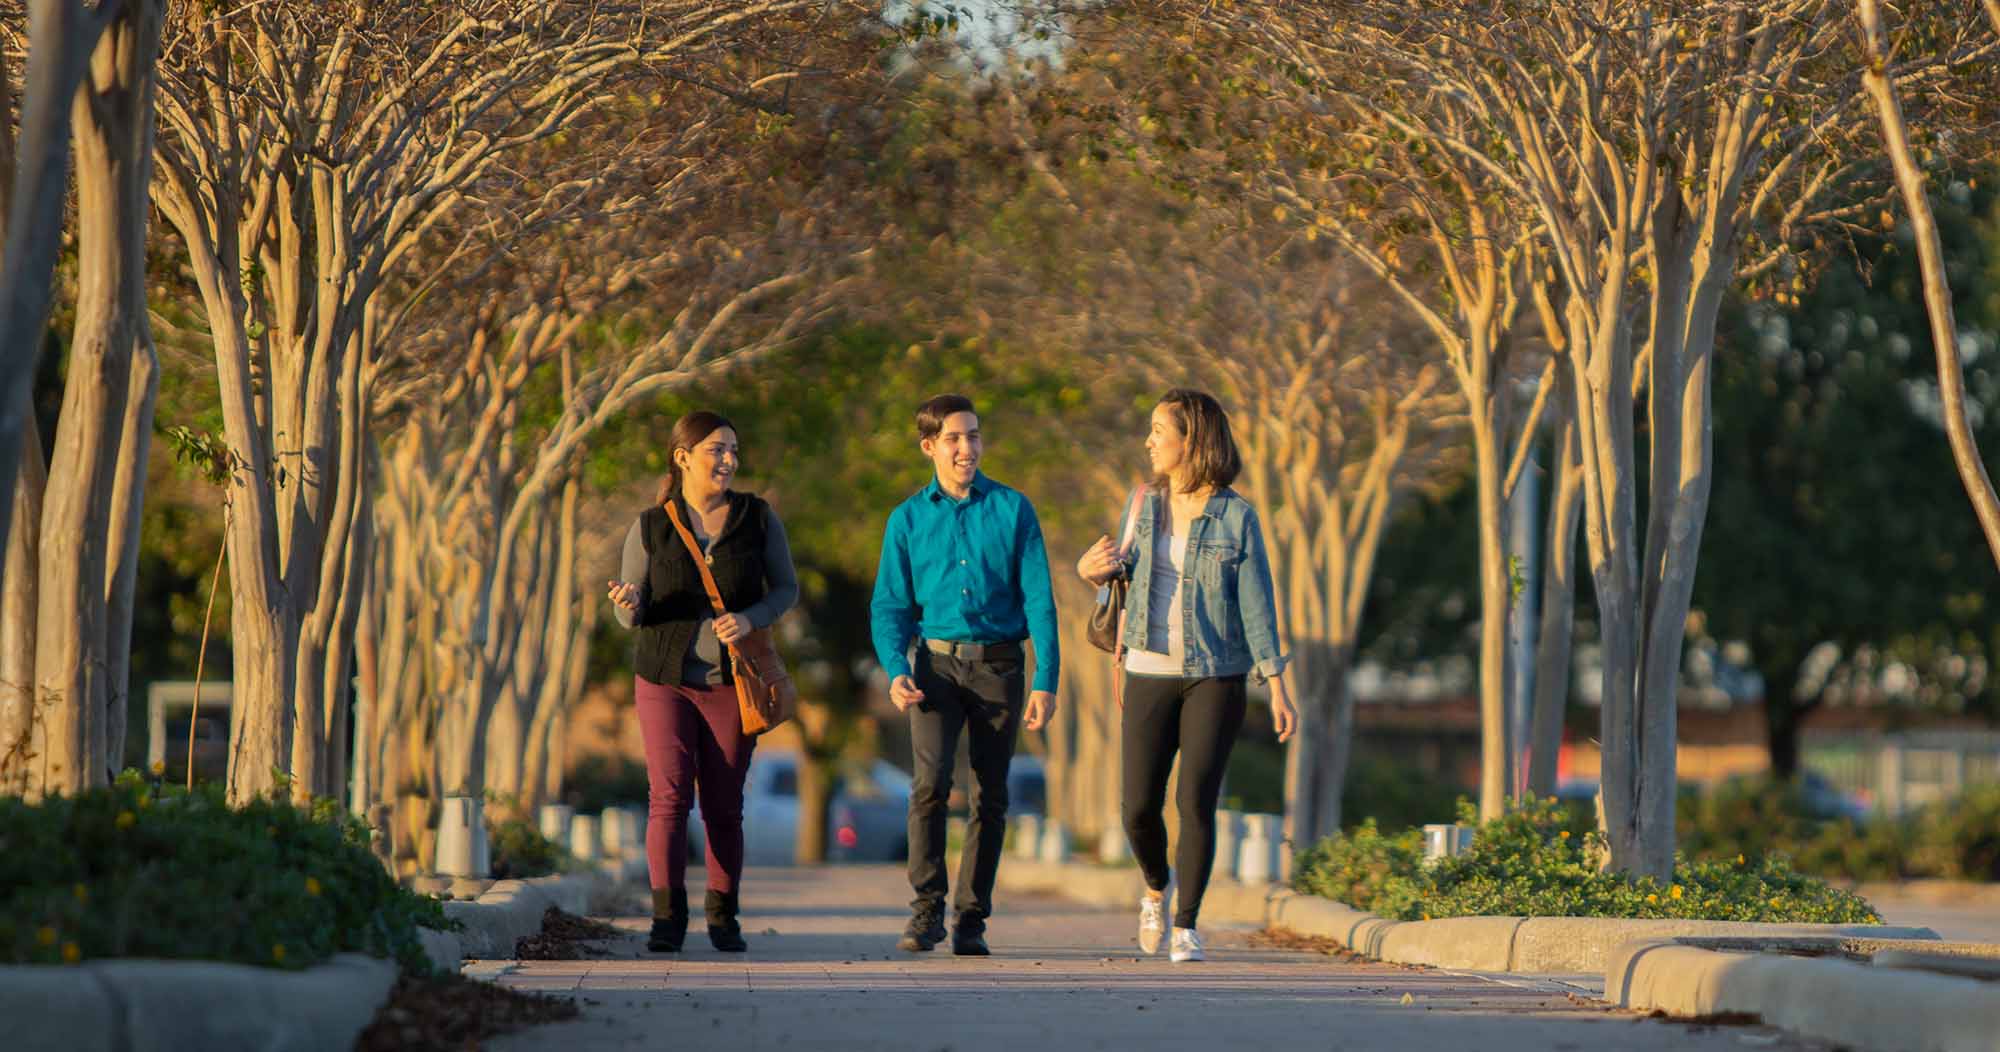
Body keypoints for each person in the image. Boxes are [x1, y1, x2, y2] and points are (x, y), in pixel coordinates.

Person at [1075, 388, 1298, 963]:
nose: (1148, 440)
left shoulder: (1237, 516)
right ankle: (1155, 886)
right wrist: (1090, 570)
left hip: (1216, 675)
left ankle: (1186, 924)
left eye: (1158, 430)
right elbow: (1118, 571)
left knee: (1195, 800)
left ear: (1190, 440)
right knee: (1137, 809)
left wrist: (1276, 684)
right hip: (1147, 668)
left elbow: (1257, 604)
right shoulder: (1142, 504)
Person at [871, 393, 1060, 956]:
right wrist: (895, 667)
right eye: (954, 438)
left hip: (1000, 665)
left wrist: (1046, 677)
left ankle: (971, 918)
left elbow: (1041, 599)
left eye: (973, 436)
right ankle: (926, 910)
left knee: (992, 795)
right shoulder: (906, 519)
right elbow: (890, 607)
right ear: (929, 446)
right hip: (935, 667)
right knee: (929, 788)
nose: (966, 448)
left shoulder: (1013, 509)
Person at [607, 410, 798, 954]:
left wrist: (752, 616)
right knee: (668, 799)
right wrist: (629, 604)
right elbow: (633, 612)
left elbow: (786, 590)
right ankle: (666, 918)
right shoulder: (650, 526)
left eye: (733, 449)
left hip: (730, 684)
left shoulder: (757, 519)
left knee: (723, 804)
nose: (728, 460)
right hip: (663, 679)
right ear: (683, 456)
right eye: (716, 449)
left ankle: (723, 915)